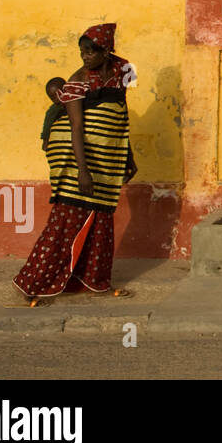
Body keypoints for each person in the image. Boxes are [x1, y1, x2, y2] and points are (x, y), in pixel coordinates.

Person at [15, 24, 137, 304]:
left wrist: (128, 155)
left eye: (90, 51)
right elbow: (76, 127)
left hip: (109, 153)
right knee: (67, 218)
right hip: (75, 153)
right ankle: (33, 284)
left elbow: (121, 113)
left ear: (106, 51)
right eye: (81, 51)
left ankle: (94, 281)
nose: (85, 57)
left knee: (102, 216)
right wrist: (82, 171)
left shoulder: (124, 72)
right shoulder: (76, 81)